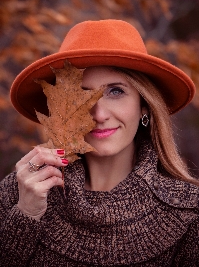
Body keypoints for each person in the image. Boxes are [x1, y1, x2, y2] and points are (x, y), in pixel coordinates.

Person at [0, 19, 199, 267]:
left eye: (115, 91)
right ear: (60, 110)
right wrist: (25, 217)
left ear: (144, 106)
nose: (99, 114)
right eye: (82, 96)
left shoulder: (190, 213)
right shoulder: (18, 194)